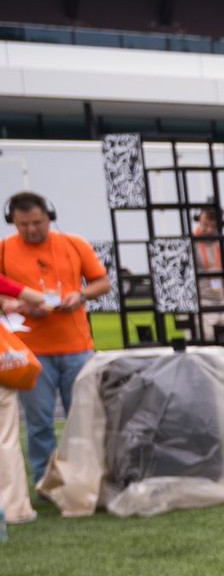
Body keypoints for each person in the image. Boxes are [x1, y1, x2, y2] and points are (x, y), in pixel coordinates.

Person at [0, 190, 109, 491]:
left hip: (77, 346)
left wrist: (81, 295)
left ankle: (87, 476)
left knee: (84, 418)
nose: (31, 230)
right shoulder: (4, 249)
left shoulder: (74, 244)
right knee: (38, 423)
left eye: (37, 222)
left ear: (49, 217)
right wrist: (18, 305)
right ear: (13, 222)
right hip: (31, 353)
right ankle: (45, 482)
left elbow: (102, 282)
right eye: (23, 225)